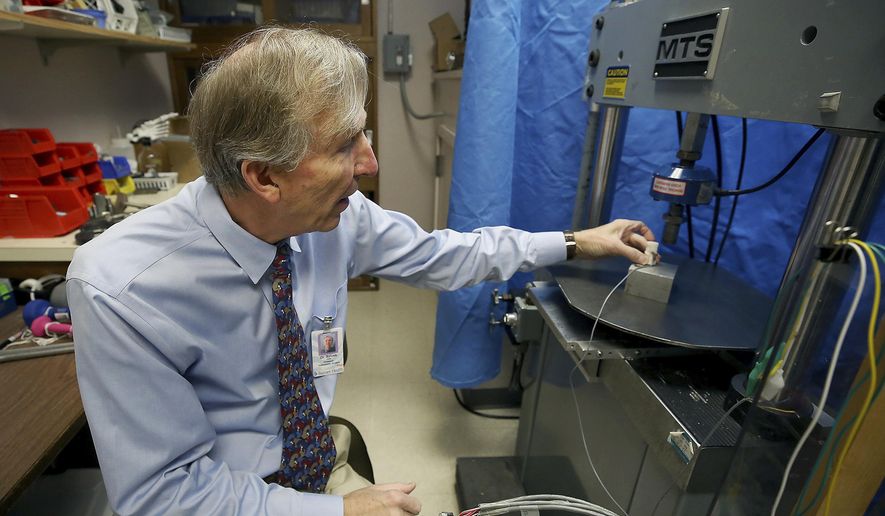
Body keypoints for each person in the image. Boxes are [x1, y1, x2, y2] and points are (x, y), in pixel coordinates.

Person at [67, 27, 657, 516]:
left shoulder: (335, 216)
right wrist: (341, 512)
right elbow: (164, 495)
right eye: (345, 145)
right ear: (264, 177)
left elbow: (444, 255)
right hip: (224, 496)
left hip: (315, 459)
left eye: (363, 135)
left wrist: (576, 242)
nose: (370, 164)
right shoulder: (122, 286)